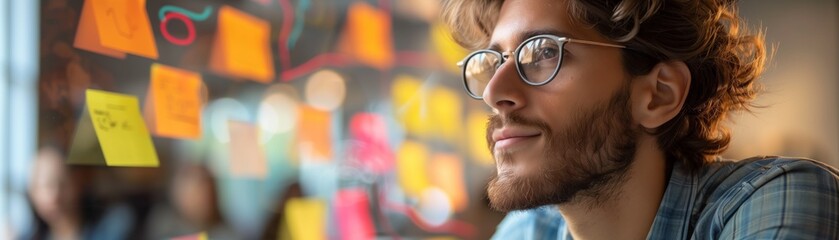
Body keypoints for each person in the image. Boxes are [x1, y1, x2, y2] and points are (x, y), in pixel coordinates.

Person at [441, 0, 839, 239]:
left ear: (657, 95)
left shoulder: (773, 198)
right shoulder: (528, 231)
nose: (494, 92)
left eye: (543, 52)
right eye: (493, 61)